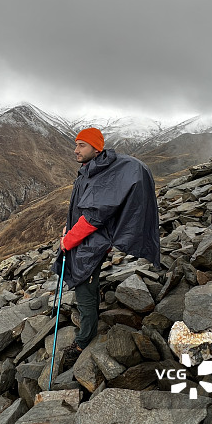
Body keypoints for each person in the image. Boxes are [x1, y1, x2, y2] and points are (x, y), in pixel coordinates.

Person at [54, 127, 160, 371]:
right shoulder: (94, 169)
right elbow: (83, 208)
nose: (75, 150)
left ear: (96, 148)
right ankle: (95, 293)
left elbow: (94, 216)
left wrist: (68, 241)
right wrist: (68, 227)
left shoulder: (100, 174)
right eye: (76, 144)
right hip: (88, 238)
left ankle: (83, 340)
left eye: (81, 145)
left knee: (82, 283)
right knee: (87, 276)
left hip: (90, 242)